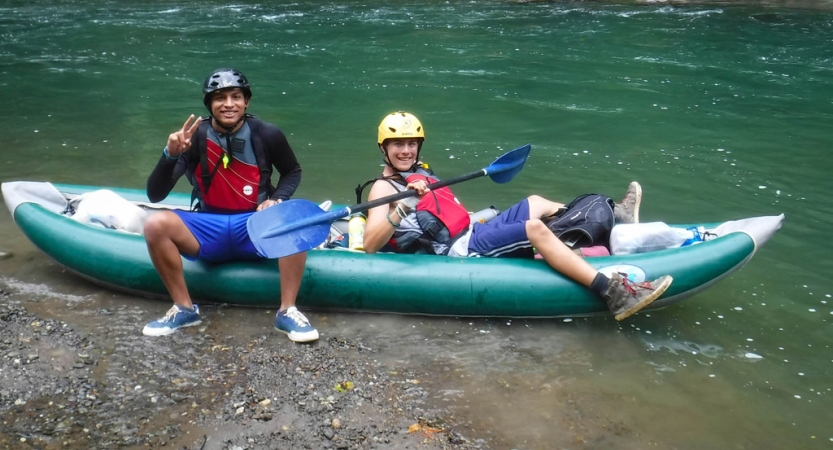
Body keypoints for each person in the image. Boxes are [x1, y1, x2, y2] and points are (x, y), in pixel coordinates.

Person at [362, 111, 672, 321]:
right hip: (458, 251)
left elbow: (442, 213)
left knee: (537, 202)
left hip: (471, 231)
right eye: (398, 144)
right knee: (534, 227)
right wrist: (403, 206)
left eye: (412, 144)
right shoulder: (383, 188)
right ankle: (613, 293)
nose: (406, 150)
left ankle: (614, 219)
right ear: (383, 149)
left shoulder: (420, 174)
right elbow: (371, 243)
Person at [141, 68, 318, 342]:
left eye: (236, 97)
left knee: (293, 216)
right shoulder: (193, 138)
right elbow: (155, 194)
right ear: (209, 104)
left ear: (246, 101)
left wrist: (277, 199)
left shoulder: (267, 134)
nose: (228, 104)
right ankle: (184, 308)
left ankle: (287, 311)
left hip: (255, 228)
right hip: (208, 231)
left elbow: (292, 171)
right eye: (219, 98)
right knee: (155, 223)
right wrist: (170, 155)